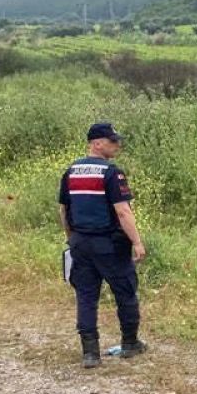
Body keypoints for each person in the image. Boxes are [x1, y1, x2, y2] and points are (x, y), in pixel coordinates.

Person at [58, 122, 147, 368]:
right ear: (97, 143)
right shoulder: (111, 173)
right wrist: (137, 242)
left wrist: (71, 237)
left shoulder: (71, 171)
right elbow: (123, 212)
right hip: (109, 244)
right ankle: (130, 343)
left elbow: (64, 210)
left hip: (80, 243)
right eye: (112, 141)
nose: (117, 145)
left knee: (86, 296)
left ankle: (90, 354)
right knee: (125, 292)